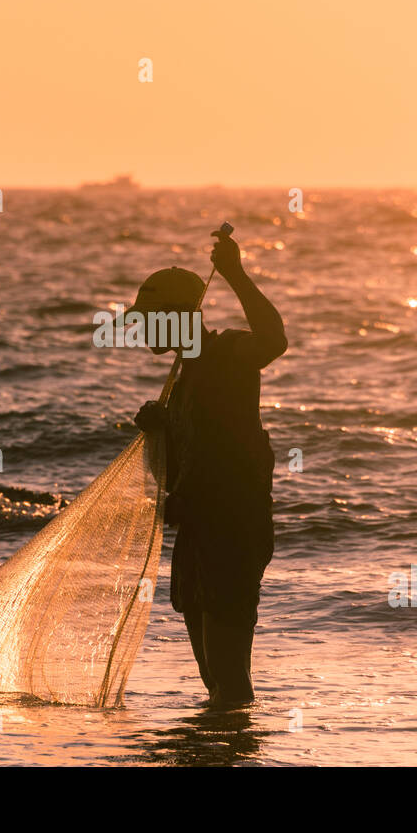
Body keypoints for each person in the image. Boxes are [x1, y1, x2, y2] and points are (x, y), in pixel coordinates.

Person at [131, 229, 287, 706]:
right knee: (213, 678)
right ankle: (217, 748)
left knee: (228, 676)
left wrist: (236, 273)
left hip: (233, 532)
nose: (142, 330)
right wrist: (161, 434)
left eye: (150, 320)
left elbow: (273, 340)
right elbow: (180, 473)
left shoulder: (225, 356)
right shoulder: (182, 381)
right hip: (198, 534)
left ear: (179, 318)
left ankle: (232, 748)